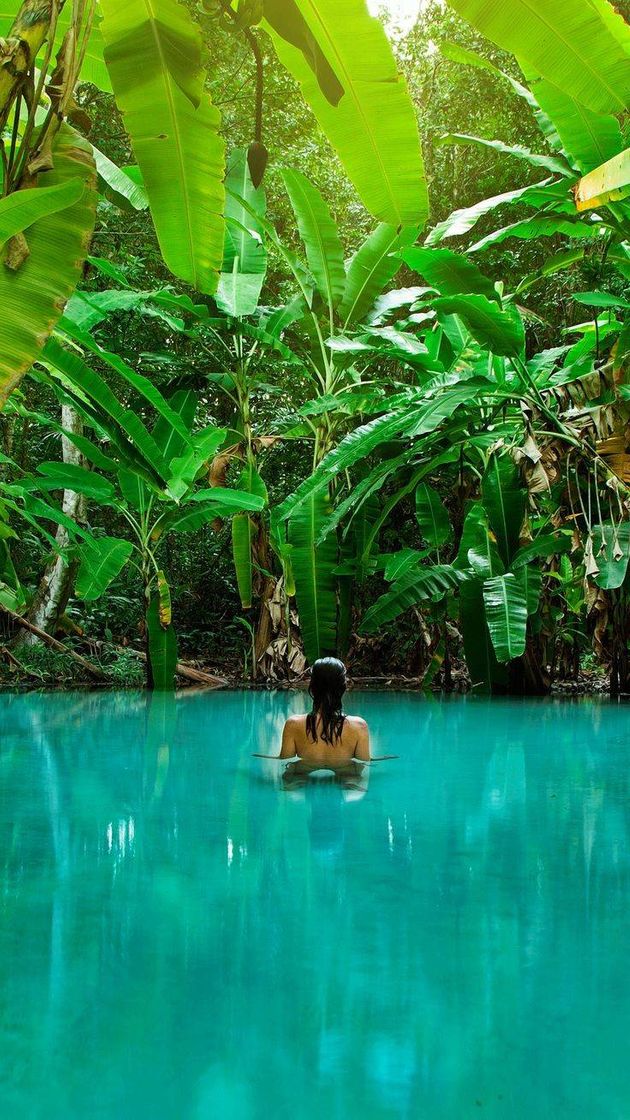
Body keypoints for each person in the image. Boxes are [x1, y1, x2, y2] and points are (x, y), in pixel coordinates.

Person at [279, 657, 370, 767]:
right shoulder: (359, 726)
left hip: (303, 771)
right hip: (346, 773)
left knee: (295, 778)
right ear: (342, 688)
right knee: (352, 779)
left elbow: (285, 765)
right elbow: (364, 766)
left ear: (312, 687)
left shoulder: (293, 724)